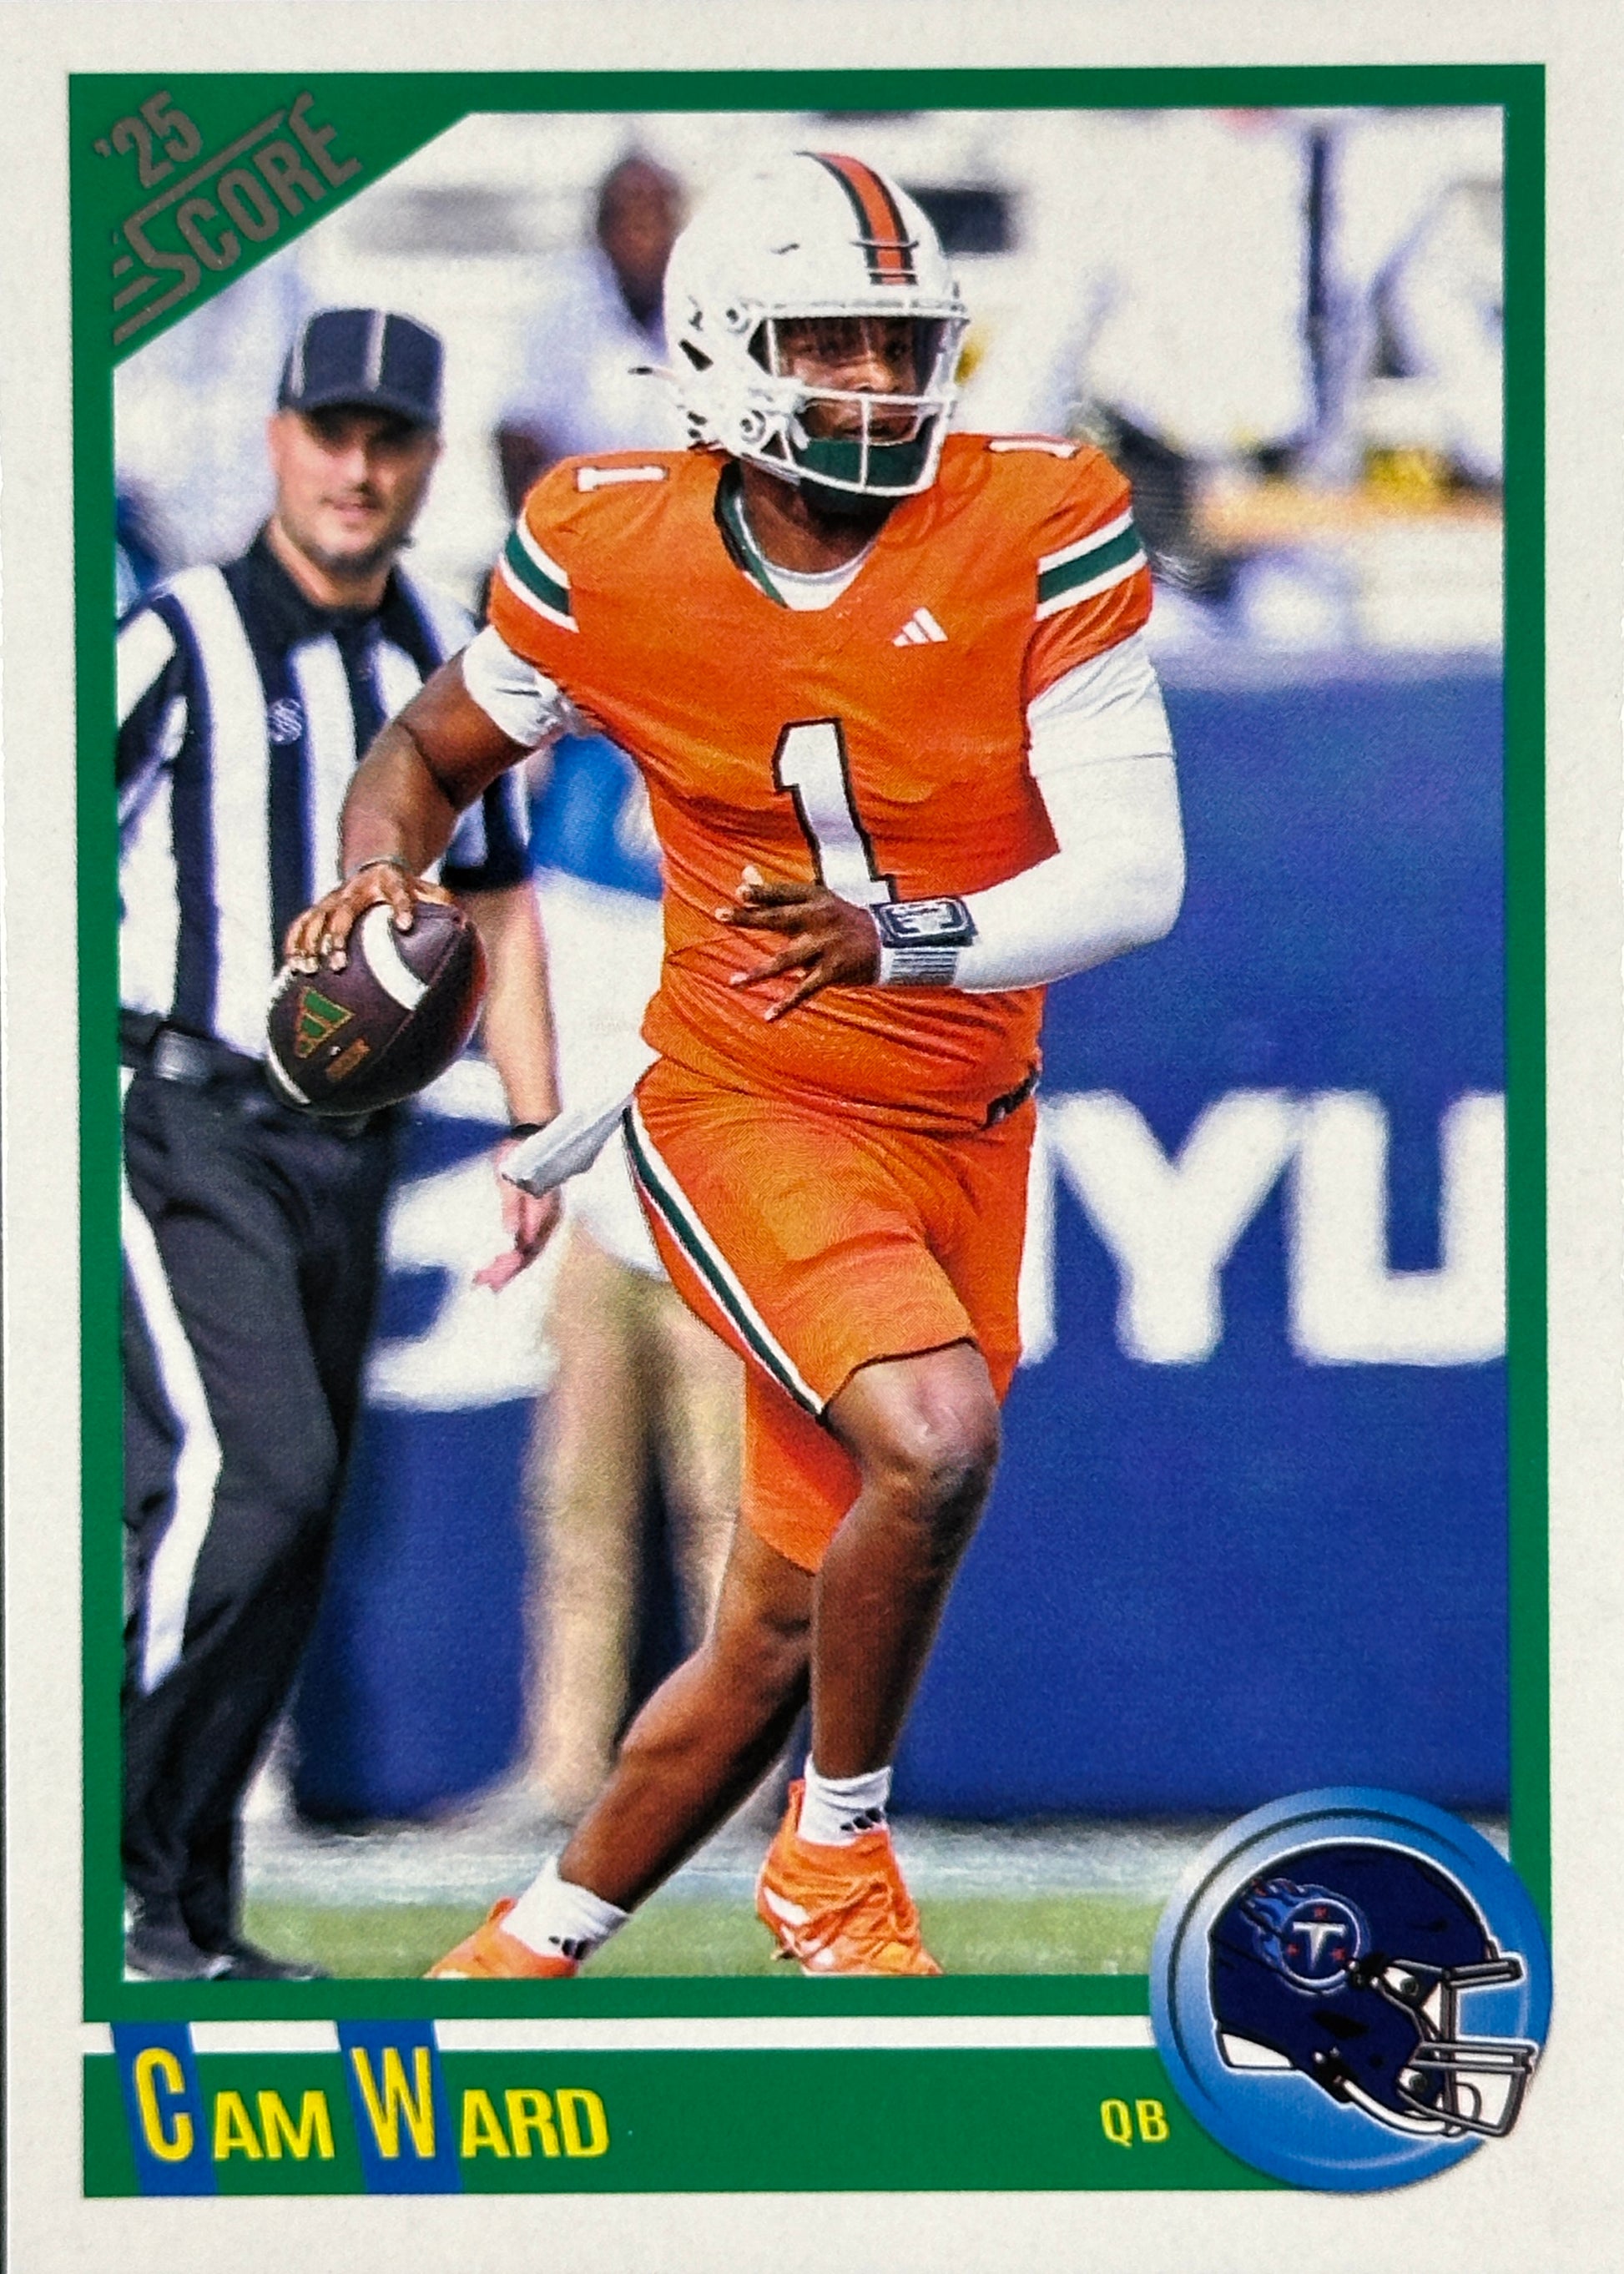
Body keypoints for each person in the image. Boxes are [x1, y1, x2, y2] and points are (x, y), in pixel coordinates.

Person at [289, 152, 1186, 1979]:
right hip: (744, 1092)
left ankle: (515, 1961)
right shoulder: (612, 541)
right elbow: (428, 751)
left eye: (898, 344)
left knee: (777, 1620)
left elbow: (1135, 875)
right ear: (718, 347)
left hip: (964, 1117)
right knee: (933, 1442)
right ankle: (834, 1856)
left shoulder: (1032, 518)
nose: (873, 381)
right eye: (828, 341)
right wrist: (377, 872)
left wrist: (900, 935)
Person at [118, 306, 561, 1982]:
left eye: (391, 440)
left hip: (343, 1145)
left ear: (431, 460)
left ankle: (180, 1911)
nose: (357, 470)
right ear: (277, 438)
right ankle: (95, 1874)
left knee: (291, 1527)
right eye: (332, 432)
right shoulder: (174, 637)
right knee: (246, 1485)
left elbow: (498, 901)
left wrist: (530, 1124)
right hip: (177, 1113)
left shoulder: (438, 659)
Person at [495, 147, 740, 1829]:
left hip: (712, 1171)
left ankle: (730, 1775)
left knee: (727, 1493)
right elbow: (540, 923)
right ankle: (562, 1764)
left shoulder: (739, 741)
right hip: (602, 1168)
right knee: (574, 1490)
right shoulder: (576, 754)